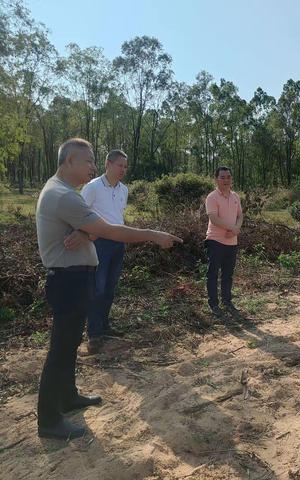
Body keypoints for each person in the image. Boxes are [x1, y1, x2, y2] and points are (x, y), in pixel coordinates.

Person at [36, 138, 182, 440]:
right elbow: (109, 230)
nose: (92, 166)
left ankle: (67, 397)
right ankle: (49, 420)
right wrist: (153, 234)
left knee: (69, 344)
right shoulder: (65, 196)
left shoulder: (63, 191)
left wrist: (86, 233)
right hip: (68, 279)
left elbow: (94, 229)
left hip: (74, 277)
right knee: (60, 350)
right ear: (69, 162)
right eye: (87, 161)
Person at [81, 150, 129, 353]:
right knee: (97, 289)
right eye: (120, 166)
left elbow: (118, 216)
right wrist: (89, 234)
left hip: (119, 244)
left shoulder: (124, 189)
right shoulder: (92, 187)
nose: (123, 170)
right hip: (99, 244)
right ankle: (93, 334)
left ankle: (104, 326)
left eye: (126, 167)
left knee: (110, 288)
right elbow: (79, 213)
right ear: (108, 164)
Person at [205, 166, 243, 317]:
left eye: (228, 177)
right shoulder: (212, 197)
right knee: (213, 274)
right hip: (215, 241)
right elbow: (213, 218)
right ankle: (214, 304)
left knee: (228, 275)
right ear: (216, 179)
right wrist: (231, 228)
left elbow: (240, 215)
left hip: (232, 242)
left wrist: (235, 229)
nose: (226, 180)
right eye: (222, 177)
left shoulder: (235, 197)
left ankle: (227, 302)